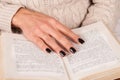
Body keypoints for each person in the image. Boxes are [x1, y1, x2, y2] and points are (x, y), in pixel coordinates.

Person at [0, 0, 119, 57]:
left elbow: (107, 3)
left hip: (80, 43)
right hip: (12, 48)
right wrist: (14, 15)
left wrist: (89, 37)